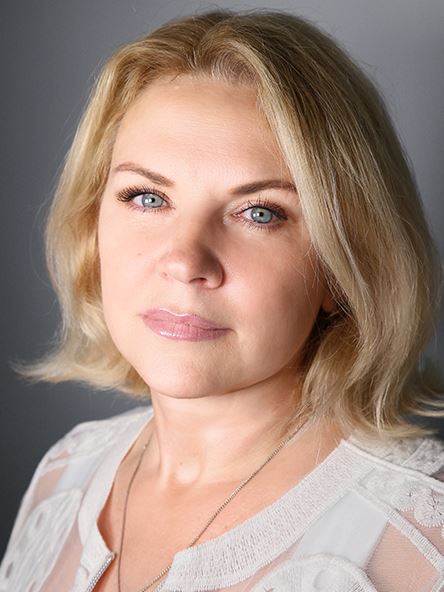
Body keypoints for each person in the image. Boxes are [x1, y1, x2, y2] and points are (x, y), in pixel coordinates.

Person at [1, 7, 444, 592]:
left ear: (343, 266)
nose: (186, 262)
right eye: (147, 197)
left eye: (258, 213)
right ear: (92, 225)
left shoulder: (422, 541)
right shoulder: (64, 476)